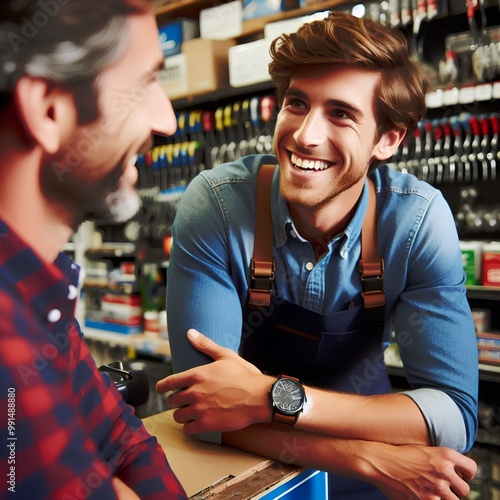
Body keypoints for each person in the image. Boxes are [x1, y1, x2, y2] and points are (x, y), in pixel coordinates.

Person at [158, 10, 479, 500]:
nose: (306, 135)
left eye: (342, 113)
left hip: (376, 481)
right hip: (254, 471)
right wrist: (363, 456)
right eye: (297, 103)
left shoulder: (415, 223)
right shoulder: (219, 207)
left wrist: (269, 397)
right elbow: (199, 412)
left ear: (388, 139)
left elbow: (454, 416)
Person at [0, 1, 186, 498]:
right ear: (48, 110)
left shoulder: (42, 294)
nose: (166, 120)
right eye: (145, 83)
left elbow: (123, 443)